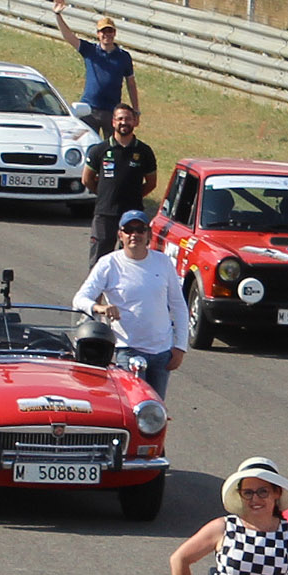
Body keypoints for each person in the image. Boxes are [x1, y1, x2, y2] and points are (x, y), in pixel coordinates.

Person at [73, 210, 189, 394]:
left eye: (140, 229)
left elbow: (179, 306)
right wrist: (99, 308)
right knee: (133, 405)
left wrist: (180, 346)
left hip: (161, 352)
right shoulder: (109, 263)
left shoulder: (163, 262)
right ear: (121, 234)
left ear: (148, 234)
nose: (134, 235)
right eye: (128, 230)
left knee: (154, 412)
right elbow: (80, 299)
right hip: (127, 351)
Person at [81, 104, 158, 264]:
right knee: (99, 261)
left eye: (128, 119)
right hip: (105, 214)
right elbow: (87, 179)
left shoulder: (144, 151)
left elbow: (151, 183)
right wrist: (104, 194)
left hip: (132, 215)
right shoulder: (99, 150)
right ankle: (99, 290)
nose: (124, 122)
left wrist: (133, 196)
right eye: (120, 119)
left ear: (135, 122)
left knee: (131, 261)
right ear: (113, 122)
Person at [51, 0, 140, 123]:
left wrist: (136, 110)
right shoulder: (90, 50)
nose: (106, 35)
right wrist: (58, 15)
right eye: (103, 31)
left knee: (111, 142)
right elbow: (68, 36)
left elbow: (131, 84)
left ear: (114, 33)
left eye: (110, 31)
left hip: (111, 110)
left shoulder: (123, 56)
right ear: (98, 34)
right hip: (89, 109)